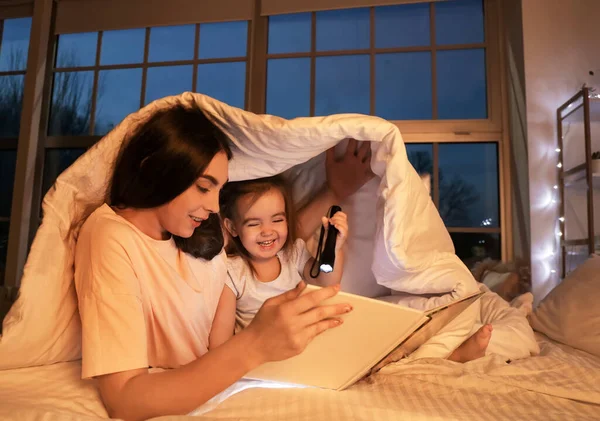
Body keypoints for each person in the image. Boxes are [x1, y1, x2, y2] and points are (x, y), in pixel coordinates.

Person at [73, 104, 355, 421]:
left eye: (219, 191)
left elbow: (274, 237)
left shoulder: (193, 226)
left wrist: (334, 191)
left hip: (242, 371)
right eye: (204, 187)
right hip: (209, 379)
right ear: (157, 168)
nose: (212, 206)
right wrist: (255, 345)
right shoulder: (111, 236)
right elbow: (124, 400)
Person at [209, 176, 349, 347]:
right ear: (232, 228)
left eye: (277, 220)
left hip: (303, 347)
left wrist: (333, 249)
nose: (267, 231)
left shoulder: (294, 253)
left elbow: (326, 282)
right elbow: (220, 342)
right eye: (253, 224)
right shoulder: (232, 272)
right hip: (260, 357)